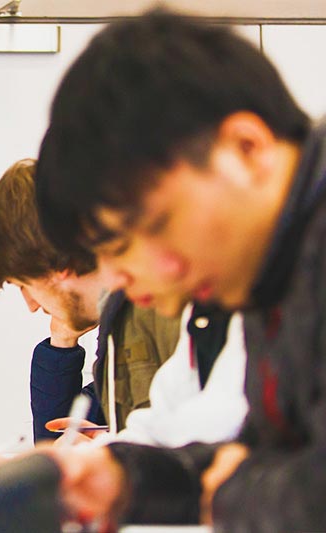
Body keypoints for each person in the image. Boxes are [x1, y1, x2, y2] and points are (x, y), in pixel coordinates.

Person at [33, 9, 326, 531]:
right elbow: (257, 455)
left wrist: (244, 491)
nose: (126, 278)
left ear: (246, 148)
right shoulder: (268, 269)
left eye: (155, 226)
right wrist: (122, 480)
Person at [0, 159, 248, 450]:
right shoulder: (115, 324)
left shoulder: (158, 305)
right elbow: (56, 434)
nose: (31, 305)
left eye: (25, 286)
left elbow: (211, 433)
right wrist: (61, 342)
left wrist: (111, 453)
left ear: (55, 269)